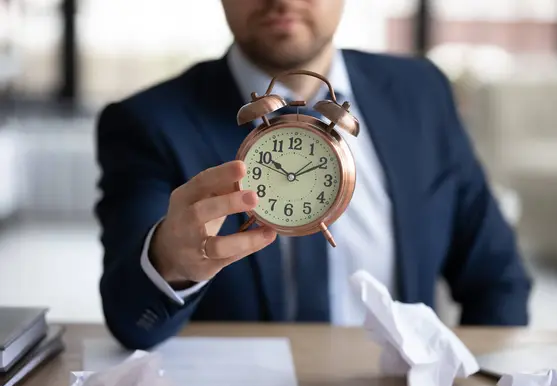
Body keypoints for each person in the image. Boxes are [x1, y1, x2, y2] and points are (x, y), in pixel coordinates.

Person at [95, 0, 532, 350]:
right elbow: (132, 323)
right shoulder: (147, 122)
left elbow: (498, 280)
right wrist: (171, 263)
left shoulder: (420, 93)